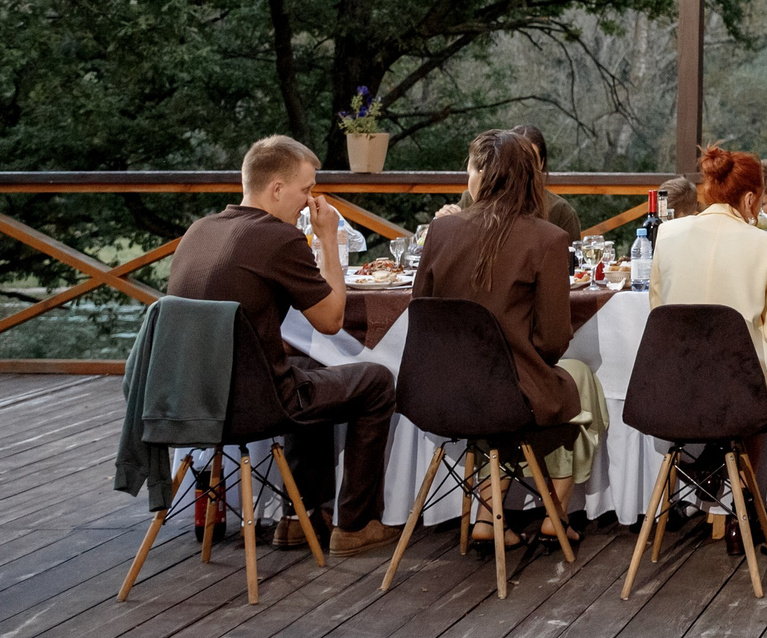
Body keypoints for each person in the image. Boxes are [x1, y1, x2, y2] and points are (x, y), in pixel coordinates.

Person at [164, 135, 397, 556]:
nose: (310, 202)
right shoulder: (278, 237)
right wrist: (329, 238)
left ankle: (301, 517)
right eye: (306, 189)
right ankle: (356, 525)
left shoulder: (199, 230)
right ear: (276, 188)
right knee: (376, 380)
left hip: (189, 399)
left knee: (307, 368)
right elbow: (331, 321)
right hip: (250, 406)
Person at [413, 130, 606, 539]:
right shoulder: (548, 238)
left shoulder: (439, 232)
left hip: (437, 390)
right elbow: (554, 340)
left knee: (522, 389)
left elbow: (421, 312)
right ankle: (555, 516)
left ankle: (488, 517)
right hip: (507, 398)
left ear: (480, 174)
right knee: (578, 381)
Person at [652, 146, 767, 450]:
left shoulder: (667, 234)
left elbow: (659, 316)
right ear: (750, 199)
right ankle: (748, 491)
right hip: (738, 393)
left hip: (672, 387)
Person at [513, 125, 582, 237]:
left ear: (541, 163)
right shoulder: (489, 208)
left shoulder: (560, 210)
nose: (524, 167)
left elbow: (571, 253)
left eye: (531, 160)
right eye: (517, 159)